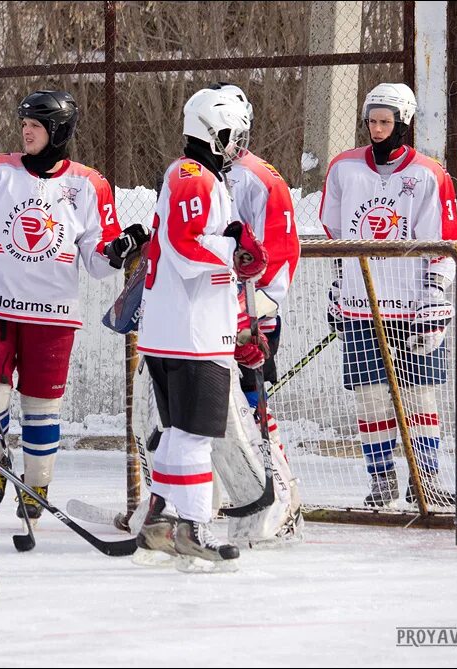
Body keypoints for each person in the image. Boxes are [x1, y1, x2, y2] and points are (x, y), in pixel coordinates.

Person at [0, 89, 147, 522]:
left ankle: (35, 484)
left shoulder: (87, 183)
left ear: (58, 131)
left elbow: (98, 261)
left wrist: (118, 249)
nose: (26, 131)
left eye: (36, 125)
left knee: (42, 407)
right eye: (24, 123)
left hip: (53, 315)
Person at [133, 87, 268, 571]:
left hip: (180, 329)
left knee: (177, 431)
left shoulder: (198, 177)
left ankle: (159, 520)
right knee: (194, 435)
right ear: (217, 131)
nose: (237, 145)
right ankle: (190, 528)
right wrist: (236, 250)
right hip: (189, 334)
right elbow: (184, 244)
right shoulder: (193, 176)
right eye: (234, 136)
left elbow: (205, 249)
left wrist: (242, 330)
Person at [320, 82, 457, 508]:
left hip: (415, 306)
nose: (377, 129)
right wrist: (340, 282)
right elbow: (336, 232)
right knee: (372, 396)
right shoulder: (344, 168)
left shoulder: (428, 174)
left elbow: (446, 240)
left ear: (403, 123)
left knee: (420, 394)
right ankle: (381, 479)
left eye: (386, 121)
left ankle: (426, 478)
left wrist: (436, 292)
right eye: (372, 121)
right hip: (362, 306)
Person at [207, 82, 303, 547]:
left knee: (249, 408)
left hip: (249, 319)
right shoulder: (200, 174)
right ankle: (200, 501)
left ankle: (280, 497)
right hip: (207, 317)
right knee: (203, 409)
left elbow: (282, 250)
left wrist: (256, 309)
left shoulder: (259, 178)